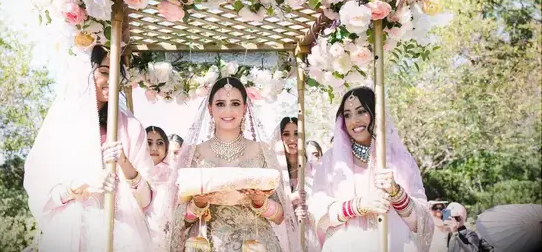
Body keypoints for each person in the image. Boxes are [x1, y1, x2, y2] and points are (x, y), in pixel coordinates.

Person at [24, 45, 154, 251]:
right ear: (86, 73)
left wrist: (124, 162)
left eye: (116, 73)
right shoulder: (62, 125)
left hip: (122, 237)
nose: (111, 80)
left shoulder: (132, 128)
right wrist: (81, 184)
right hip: (71, 236)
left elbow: (146, 200)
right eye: (103, 72)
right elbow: (41, 194)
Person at [162, 77, 300, 252]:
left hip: (257, 244)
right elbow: (178, 219)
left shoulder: (262, 151)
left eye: (235, 103)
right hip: (209, 244)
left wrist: (260, 202)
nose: (228, 110)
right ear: (210, 109)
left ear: (245, 108)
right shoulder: (193, 153)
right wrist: (198, 203)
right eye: (220, 104)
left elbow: (281, 216)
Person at [310, 86, 434, 251]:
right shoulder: (331, 162)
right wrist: (358, 206)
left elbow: (421, 222)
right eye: (347, 115)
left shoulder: (401, 160)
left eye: (361, 111)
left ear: (376, 114)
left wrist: (396, 193)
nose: (354, 120)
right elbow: (317, 213)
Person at [271, 117, 321, 251]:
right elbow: (269, 205)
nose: (292, 139)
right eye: (286, 134)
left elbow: (322, 202)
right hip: (282, 235)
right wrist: (291, 200)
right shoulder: (274, 173)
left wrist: (308, 211)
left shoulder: (313, 170)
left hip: (309, 235)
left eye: (297, 134)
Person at [144, 126, 173, 247]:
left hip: (164, 232)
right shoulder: (133, 172)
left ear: (166, 148)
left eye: (160, 143)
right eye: (149, 143)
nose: (154, 148)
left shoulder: (173, 175)